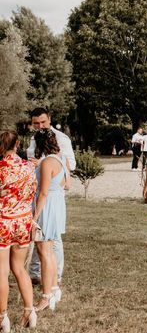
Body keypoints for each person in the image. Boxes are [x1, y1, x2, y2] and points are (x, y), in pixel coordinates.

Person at [26, 107, 74, 290]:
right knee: (40, 236)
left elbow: (70, 164)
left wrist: (45, 164)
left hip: (51, 192)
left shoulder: (61, 138)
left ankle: (56, 277)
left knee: (52, 239)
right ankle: (36, 274)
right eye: (36, 123)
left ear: (50, 119)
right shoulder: (33, 138)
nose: (39, 126)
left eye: (43, 122)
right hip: (36, 190)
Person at [0, 131, 38, 329]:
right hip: (23, 221)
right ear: (18, 144)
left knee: (2, 271)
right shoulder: (29, 167)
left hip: (3, 222)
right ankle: (29, 311)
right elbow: (32, 192)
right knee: (20, 268)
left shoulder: (0, 169)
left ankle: (2, 317)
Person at [32, 129, 66, 312]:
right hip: (56, 206)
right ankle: (53, 289)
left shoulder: (47, 162)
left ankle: (45, 297)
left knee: (44, 252)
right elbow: (64, 185)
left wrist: (34, 217)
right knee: (49, 251)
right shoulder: (59, 159)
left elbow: (43, 192)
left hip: (46, 208)